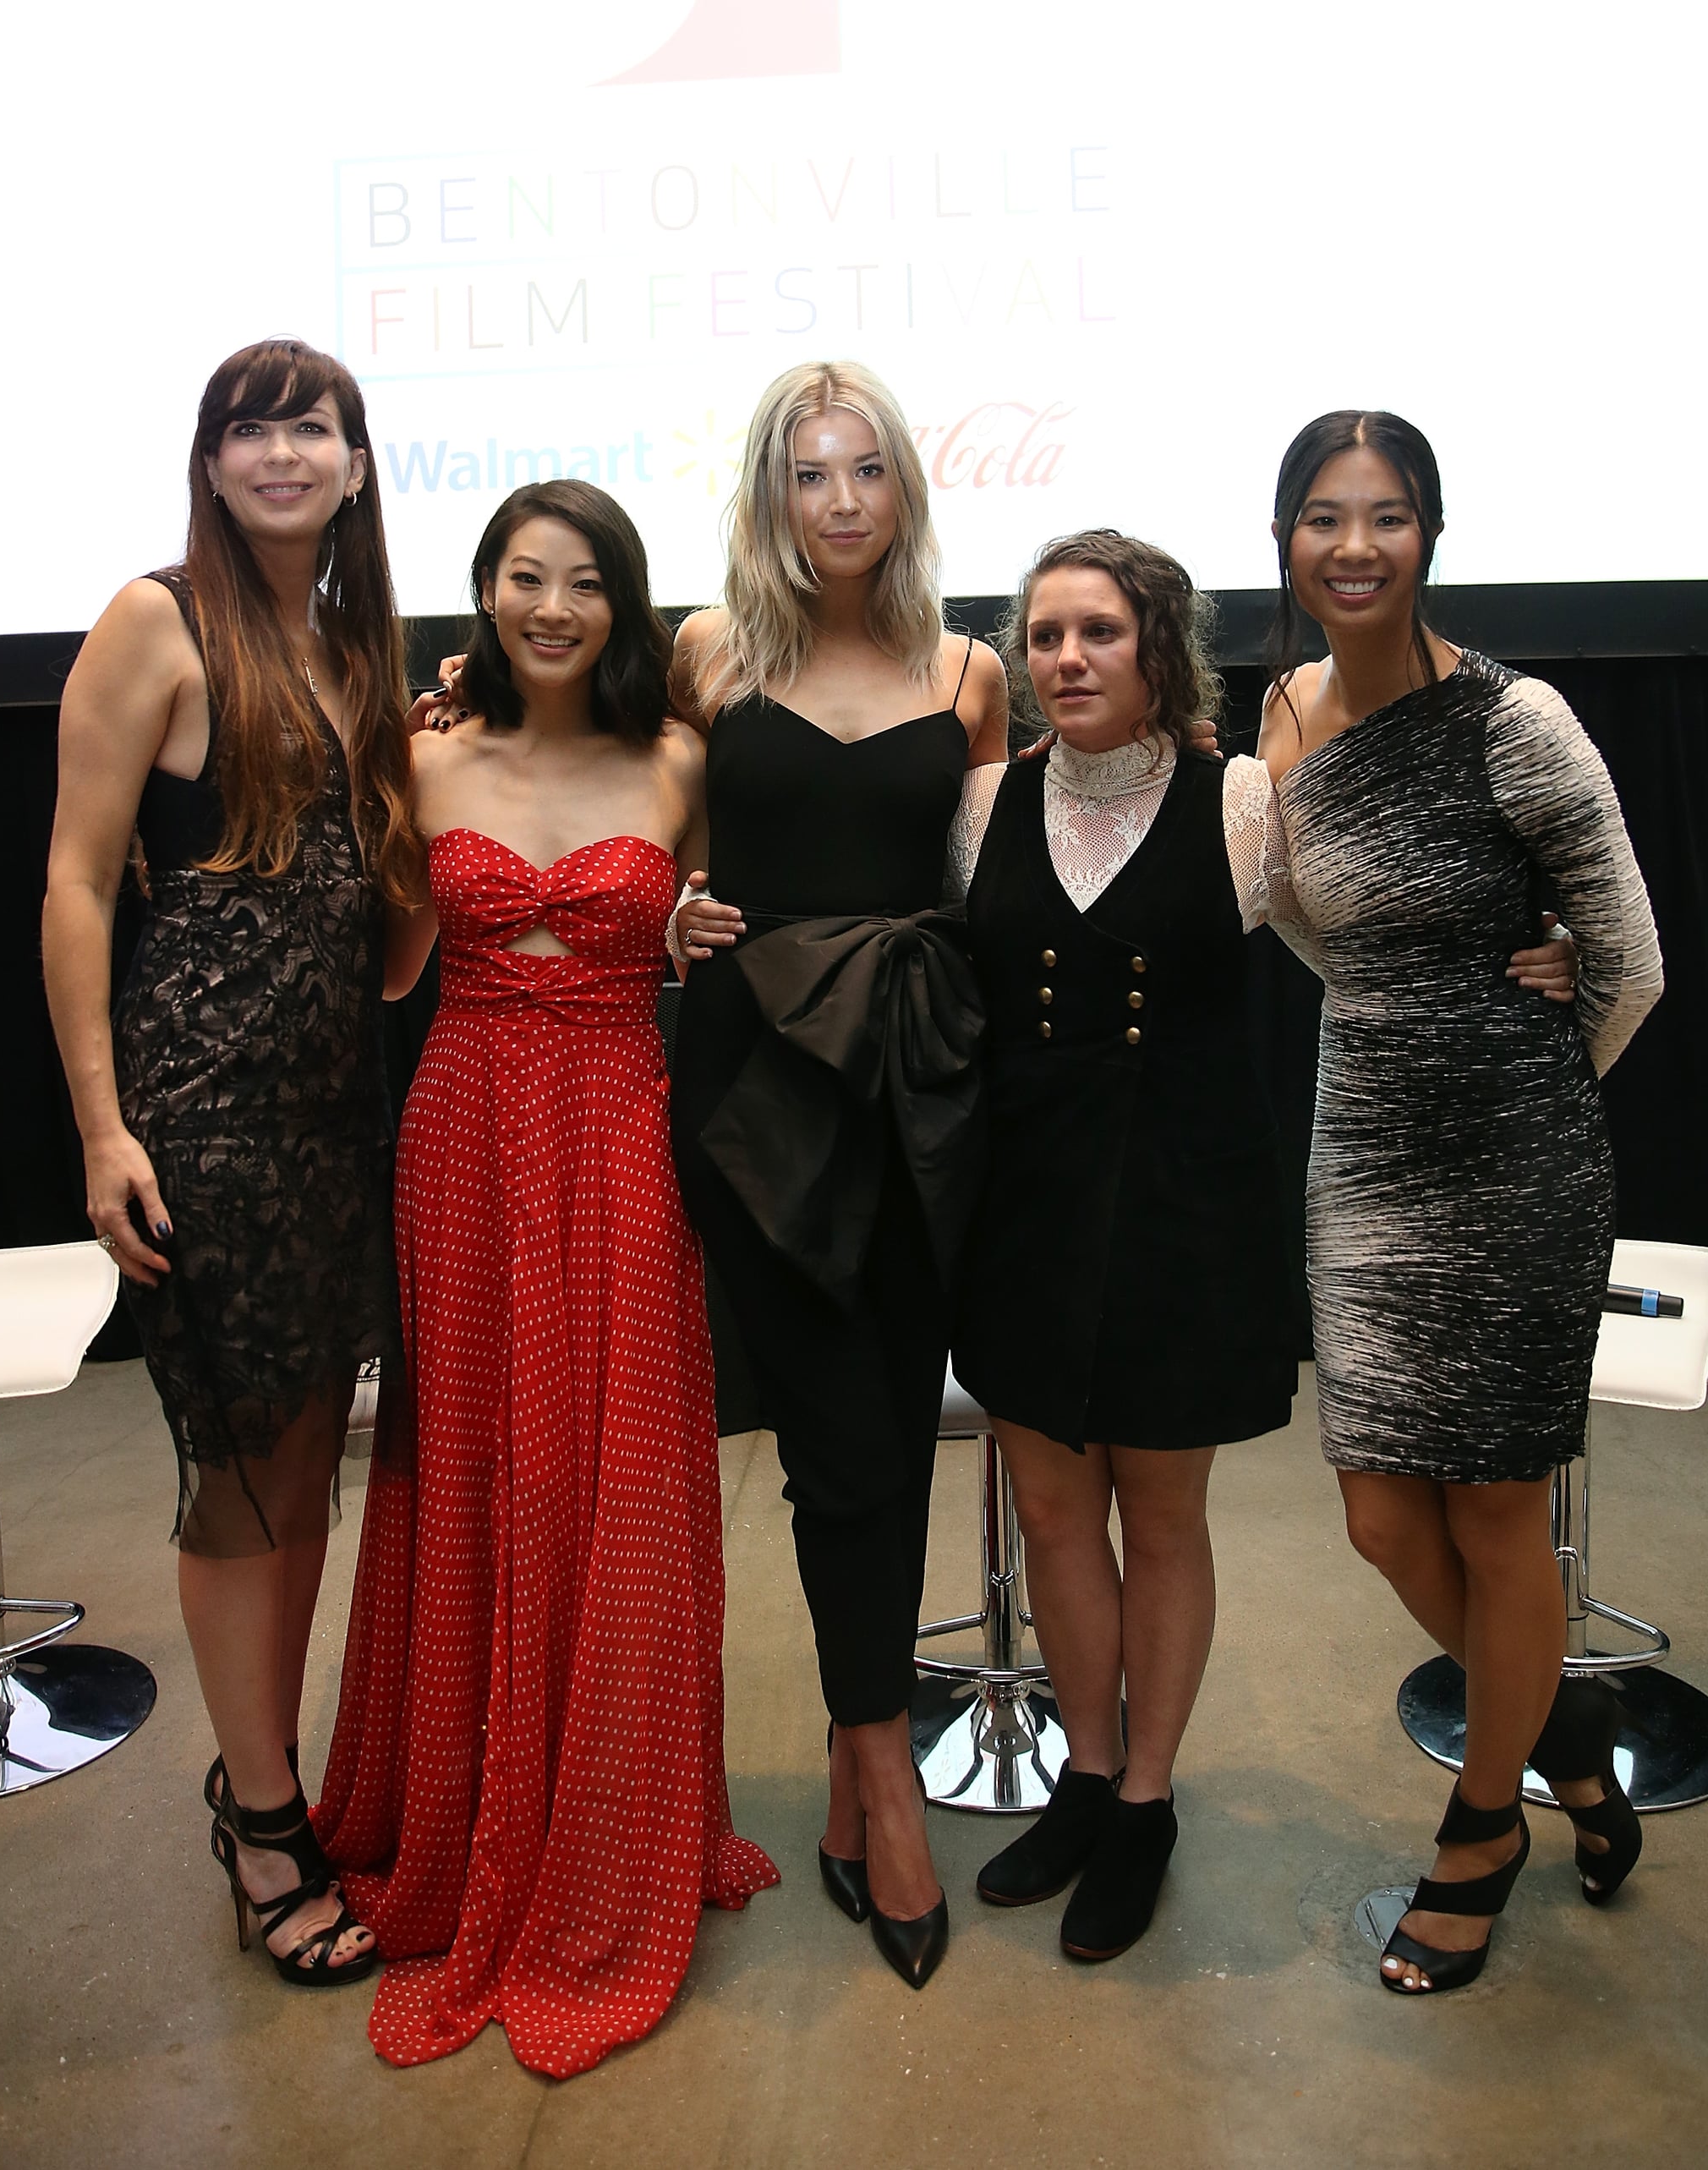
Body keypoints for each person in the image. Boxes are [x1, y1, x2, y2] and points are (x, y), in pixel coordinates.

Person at [944, 530, 1579, 1964]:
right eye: (1044, 634)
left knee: (1162, 1520)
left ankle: (1149, 1801)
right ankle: (1087, 1780)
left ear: (1156, 646)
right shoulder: (979, 802)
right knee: (1054, 1517)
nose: (1066, 658)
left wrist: (1552, 953)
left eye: (1099, 631)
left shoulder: (1244, 800)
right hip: (1024, 1220)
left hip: (1186, 1216)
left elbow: (1374, 936)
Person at [314, 479, 777, 2077]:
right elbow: (389, 961)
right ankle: (462, 1809)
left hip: (620, 1127)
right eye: (525, 578)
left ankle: (613, 1828)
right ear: (486, 591)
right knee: (478, 1475)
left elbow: (710, 936)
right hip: (462, 1127)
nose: (554, 607)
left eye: (586, 583)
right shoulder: (426, 752)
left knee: (623, 1475)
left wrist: (697, 924)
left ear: (626, 603)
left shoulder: (679, 758)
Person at [1256, 410, 1663, 1995]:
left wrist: (1536, 1057)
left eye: (1389, 517)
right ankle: (1569, 1742)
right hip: (1361, 1143)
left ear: (1432, 533)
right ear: (1283, 537)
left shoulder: (1518, 719)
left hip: (1511, 1160)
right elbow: (1300, 914)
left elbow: (1627, 960)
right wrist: (1390, 990)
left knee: (1497, 1513)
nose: (1354, 547)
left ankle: (1483, 1827)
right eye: (1323, 517)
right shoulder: (1285, 709)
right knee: (1375, 1511)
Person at [41, 337, 417, 1985]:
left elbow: (399, 947)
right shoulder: (155, 622)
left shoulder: (352, 652)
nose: (279, 451)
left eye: (309, 424)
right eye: (248, 426)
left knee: (301, 1467)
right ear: (207, 462)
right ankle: (266, 1823)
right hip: (201, 1118)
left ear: (352, 460)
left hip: (340, 1125)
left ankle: (264, 1768)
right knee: (240, 1482)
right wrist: (100, 1124)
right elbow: (71, 883)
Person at [668, 360, 1010, 1988]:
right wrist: (665, 900)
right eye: (812, 474)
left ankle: (855, 1740)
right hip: (755, 1090)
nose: (844, 500)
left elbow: (1002, 875)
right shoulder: (711, 654)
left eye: (868, 469)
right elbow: (641, 816)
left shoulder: (972, 667)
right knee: (838, 1439)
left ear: (905, 490)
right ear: (772, 495)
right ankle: (881, 1780)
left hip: (918, 1088)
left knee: (889, 1425)